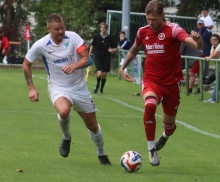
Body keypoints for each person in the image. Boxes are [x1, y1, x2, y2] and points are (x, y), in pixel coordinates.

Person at [119, 0, 204, 166]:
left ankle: (165, 136)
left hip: (172, 84)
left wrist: (199, 40)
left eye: (154, 19)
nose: (150, 23)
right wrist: (122, 68)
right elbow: (135, 49)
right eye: (148, 19)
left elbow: (196, 45)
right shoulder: (142, 31)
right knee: (149, 105)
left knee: (170, 127)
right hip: (151, 80)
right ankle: (151, 148)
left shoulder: (173, 30)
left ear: (162, 16)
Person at [23, 13, 111, 165]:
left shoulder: (73, 38)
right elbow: (26, 63)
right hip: (58, 87)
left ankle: (101, 153)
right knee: (63, 111)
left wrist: (74, 66)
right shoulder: (41, 44)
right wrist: (31, 88)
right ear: (49, 28)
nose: (61, 31)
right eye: (57, 29)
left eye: (63, 27)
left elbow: (87, 58)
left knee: (93, 125)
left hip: (79, 87)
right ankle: (66, 137)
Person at [89, 22, 117, 94]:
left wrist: (112, 50)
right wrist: (89, 54)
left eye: (104, 27)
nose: (103, 29)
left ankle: (101, 88)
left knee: (104, 74)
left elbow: (115, 47)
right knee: (99, 74)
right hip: (98, 56)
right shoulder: (96, 36)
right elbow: (92, 45)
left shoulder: (110, 37)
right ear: (100, 28)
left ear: (106, 28)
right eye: (101, 27)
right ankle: (97, 85)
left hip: (106, 57)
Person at [203, 34, 220, 103]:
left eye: (215, 40)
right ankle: (213, 98)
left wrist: (209, 57)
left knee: (217, 82)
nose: (214, 41)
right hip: (218, 68)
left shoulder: (219, 46)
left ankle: (213, 98)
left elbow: (214, 55)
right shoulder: (213, 46)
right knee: (217, 83)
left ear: (218, 40)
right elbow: (211, 56)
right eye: (212, 40)